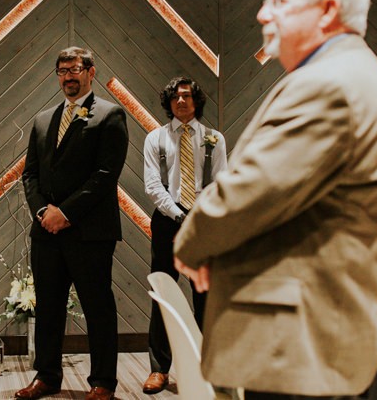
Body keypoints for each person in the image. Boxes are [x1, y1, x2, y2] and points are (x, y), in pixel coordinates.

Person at [173, 0, 377, 400]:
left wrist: (192, 244)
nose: (262, 14)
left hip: (298, 348)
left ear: (327, 11)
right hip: (301, 342)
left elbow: (250, 191)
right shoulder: (344, 72)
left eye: (279, 1)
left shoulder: (329, 84)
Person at [17, 47, 129, 400]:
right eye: (62, 70)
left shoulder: (110, 115)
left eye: (75, 69)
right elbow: (30, 175)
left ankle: (103, 382)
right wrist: (42, 213)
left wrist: (64, 213)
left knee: (98, 308)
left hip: (89, 232)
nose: (68, 76)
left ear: (91, 72)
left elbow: (105, 175)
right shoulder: (42, 119)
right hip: (46, 232)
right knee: (48, 307)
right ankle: (47, 375)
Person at [141, 76, 227, 395]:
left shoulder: (214, 140)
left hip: (203, 222)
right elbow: (153, 186)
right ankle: (158, 370)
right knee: (163, 295)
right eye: (176, 97)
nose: (181, 101)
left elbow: (219, 184)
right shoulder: (155, 139)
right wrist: (180, 215)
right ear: (169, 102)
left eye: (187, 96)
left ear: (196, 101)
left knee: (205, 296)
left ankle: (207, 366)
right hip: (168, 221)